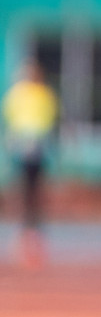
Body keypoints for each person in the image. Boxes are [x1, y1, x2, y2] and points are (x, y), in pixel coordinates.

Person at [2, 59, 59, 268]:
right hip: (28, 149)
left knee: (31, 192)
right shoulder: (29, 94)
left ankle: (31, 233)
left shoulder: (32, 94)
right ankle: (28, 233)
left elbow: (49, 121)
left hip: (34, 149)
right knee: (29, 192)